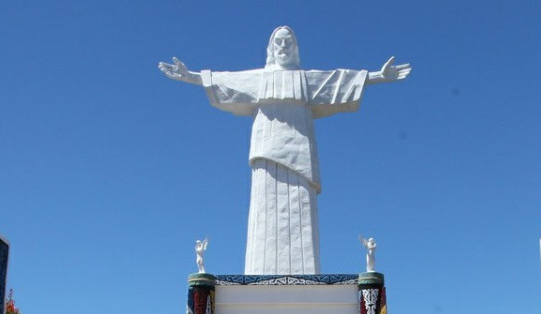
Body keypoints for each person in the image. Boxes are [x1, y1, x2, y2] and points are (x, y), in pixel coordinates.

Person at [160, 26, 410, 275]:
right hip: (265, 155)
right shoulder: (259, 78)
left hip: (300, 155)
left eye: (288, 43)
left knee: (301, 214)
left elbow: (338, 80)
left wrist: (378, 75)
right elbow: (226, 80)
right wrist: (190, 76)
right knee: (264, 215)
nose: (283, 47)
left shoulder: (305, 78)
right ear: (270, 48)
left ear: (296, 49)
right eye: (278, 43)